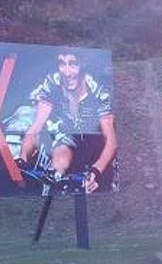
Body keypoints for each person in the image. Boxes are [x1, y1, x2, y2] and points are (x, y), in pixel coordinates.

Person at [18, 51, 117, 193]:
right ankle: (53, 177)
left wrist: (96, 171)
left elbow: (111, 141)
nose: (67, 72)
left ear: (84, 64)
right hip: (68, 137)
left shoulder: (100, 92)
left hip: (96, 143)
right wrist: (22, 160)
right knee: (60, 160)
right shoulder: (52, 82)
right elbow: (36, 126)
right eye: (62, 64)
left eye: (73, 64)